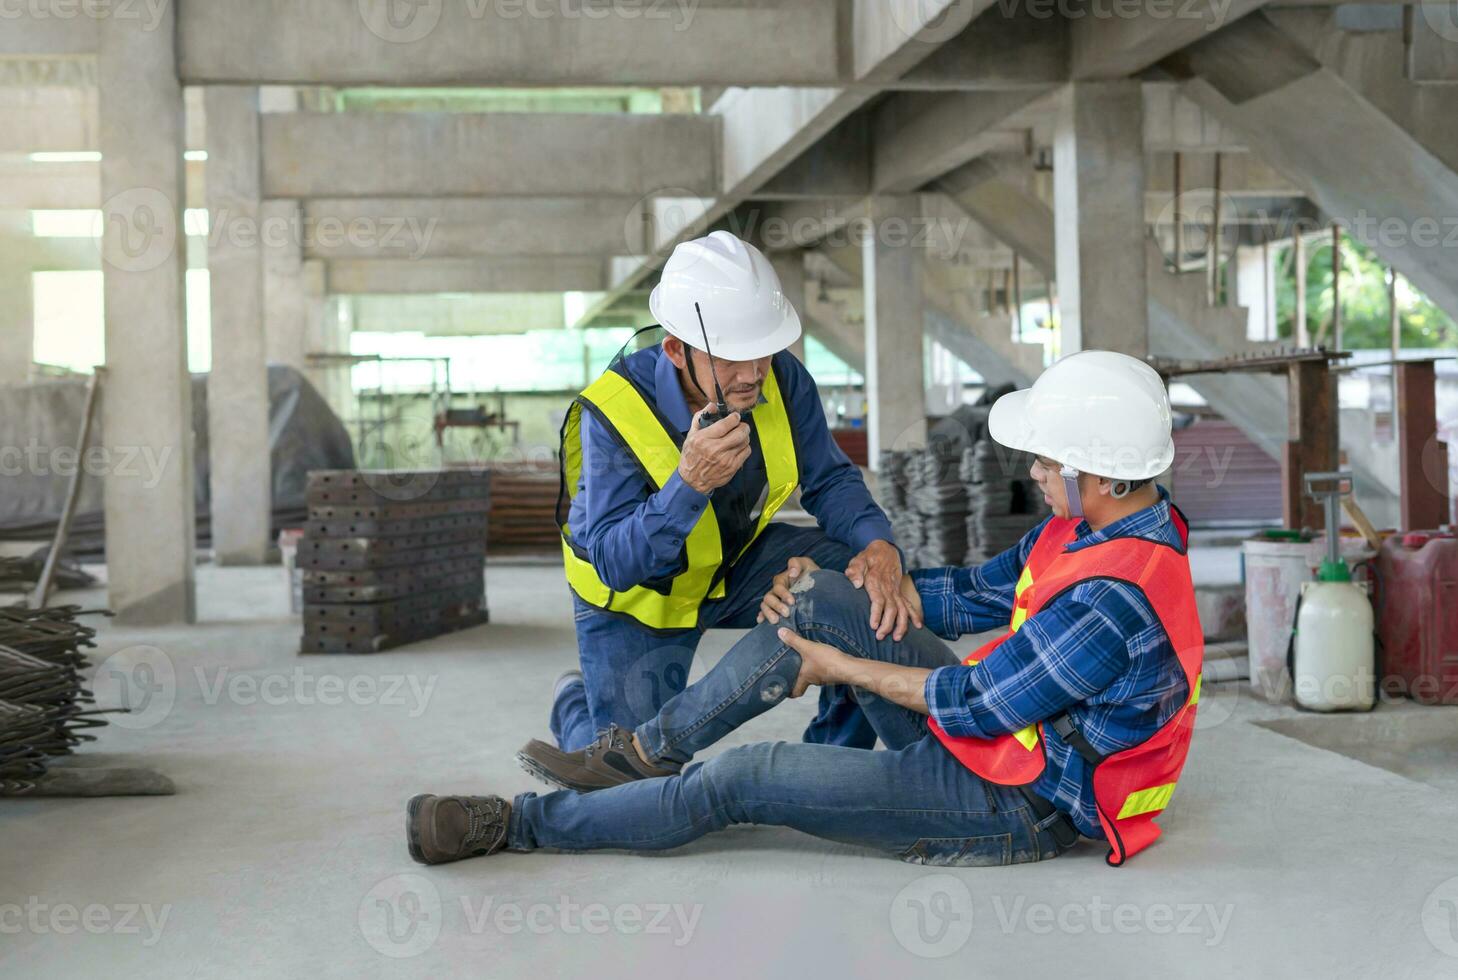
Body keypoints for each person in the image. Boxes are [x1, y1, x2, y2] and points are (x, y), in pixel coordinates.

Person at [407, 350, 1204, 868]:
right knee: (823, 590)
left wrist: (837, 666)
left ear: (1100, 474)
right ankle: (643, 750)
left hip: (1016, 800)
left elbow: (970, 701)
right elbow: (973, 595)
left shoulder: (1112, 599)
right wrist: (871, 585)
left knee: (744, 780)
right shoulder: (1093, 526)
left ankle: (520, 823)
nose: (1032, 470)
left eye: (1046, 458)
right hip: (995, 740)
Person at [545, 231, 916, 757]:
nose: (753, 374)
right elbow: (614, 561)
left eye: (763, 350)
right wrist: (689, 484)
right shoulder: (615, 411)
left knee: (867, 590)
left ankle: (833, 753)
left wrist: (879, 544)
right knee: (629, 771)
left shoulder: (782, 380)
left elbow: (830, 480)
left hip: (734, 563)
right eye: (731, 358)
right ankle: (573, 706)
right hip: (639, 598)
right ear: (674, 349)